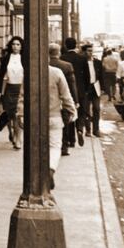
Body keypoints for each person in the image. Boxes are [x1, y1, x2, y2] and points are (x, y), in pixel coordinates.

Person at [46, 45, 78, 190]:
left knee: (37, 146)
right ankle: (50, 169)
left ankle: (38, 173)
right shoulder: (58, 72)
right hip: (54, 115)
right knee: (55, 147)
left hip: (35, 118)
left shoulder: (31, 72)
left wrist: (20, 114)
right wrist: (72, 111)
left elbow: (22, 96)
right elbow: (66, 95)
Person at [0, 36, 26, 150]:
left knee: (18, 115)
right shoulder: (6, 58)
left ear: (21, 46)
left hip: (20, 89)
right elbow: (2, 76)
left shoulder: (24, 58)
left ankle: (18, 138)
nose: (15, 46)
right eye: (13, 44)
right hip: (8, 88)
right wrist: (0, 92)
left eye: (18, 44)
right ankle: (11, 132)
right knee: (9, 114)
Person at [82, 44, 103, 137]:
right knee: (86, 110)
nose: (90, 52)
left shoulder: (97, 62)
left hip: (95, 87)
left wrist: (102, 88)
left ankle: (96, 129)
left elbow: (102, 76)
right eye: (88, 51)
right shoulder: (82, 63)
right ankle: (88, 130)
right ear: (84, 52)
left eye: (91, 50)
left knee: (97, 108)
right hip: (86, 88)